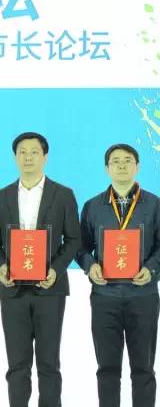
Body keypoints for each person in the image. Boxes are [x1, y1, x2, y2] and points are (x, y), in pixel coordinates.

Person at [0, 132, 81, 407]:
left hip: (50, 289)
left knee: (49, 363)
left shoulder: (63, 195)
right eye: (22, 152)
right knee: (17, 364)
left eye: (34, 152)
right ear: (15, 157)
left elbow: (73, 239)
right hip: (12, 289)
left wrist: (56, 270)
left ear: (45, 157)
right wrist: (1, 267)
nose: (28, 157)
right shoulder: (1, 196)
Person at [76, 143, 160, 407]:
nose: (121, 165)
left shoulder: (155, 205)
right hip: (105, 296)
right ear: (106, 169)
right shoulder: (93, 206)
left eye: (127, 160)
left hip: (143, 296)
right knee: (107, 369)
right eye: (115, 161)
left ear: (138, 166)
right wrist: (90, 266)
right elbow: (80, 246)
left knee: (143, 368)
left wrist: (152, 269)